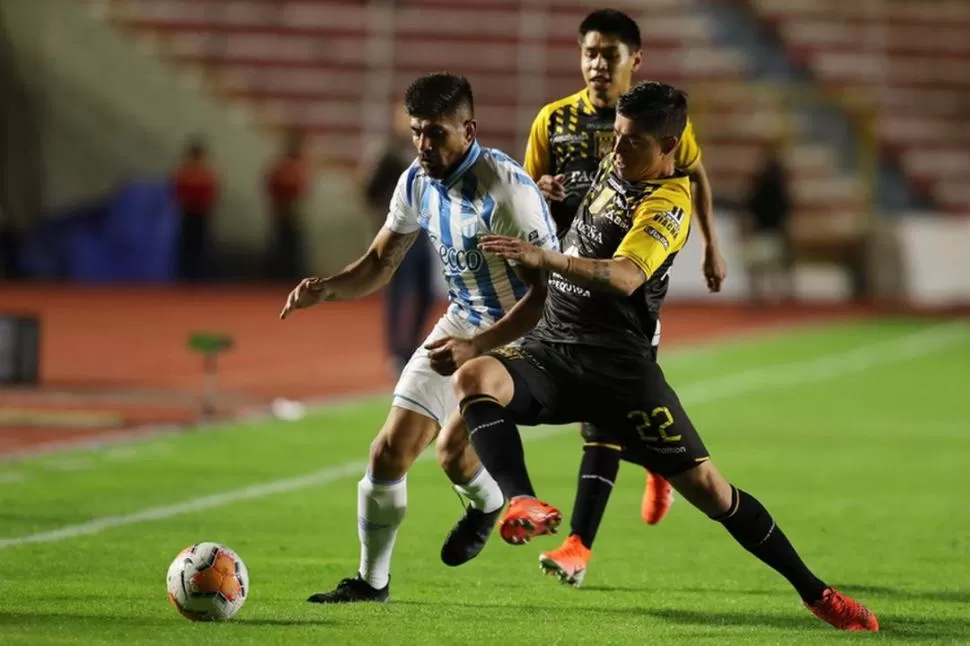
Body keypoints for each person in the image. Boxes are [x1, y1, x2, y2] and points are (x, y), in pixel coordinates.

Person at [450, 81, 878, 632]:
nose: (617, 150)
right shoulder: (618, 162)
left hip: (621, 374)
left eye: (632, 143)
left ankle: (817, 594)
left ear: (670, 145)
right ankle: (523, 501)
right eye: (617, 138)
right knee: (475, 376)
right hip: (554, 350)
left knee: (714, 494)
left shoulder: (667, 202)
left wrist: (545, 257)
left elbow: (625, 275)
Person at [279, 72, 560, 603]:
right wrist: (328, 289)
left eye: (436, 133)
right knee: (387, 451)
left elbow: (544, 297)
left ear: (468, 129)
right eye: (416, 133)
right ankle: (371, 582)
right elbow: (382, 261)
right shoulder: (414, 180)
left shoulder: (506, 191)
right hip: (463, 321)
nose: (424, 146)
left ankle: (487, 503)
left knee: (453, 454)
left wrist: (478, 348)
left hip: (528, 335)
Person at [360, 101, 436, 375]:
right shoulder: (388, 154)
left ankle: (412, 346)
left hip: (423, 233)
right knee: (398, 293)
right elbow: (368, 191)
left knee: (426, 293)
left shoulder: (427, 152)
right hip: (398, 234)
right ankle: (396, 352)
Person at [172, 137, 219, 282]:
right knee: (187, 245)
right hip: (188, 212)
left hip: (201, 213)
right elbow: (177, 192)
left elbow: (212, 192)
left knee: (201, 245)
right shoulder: (185, 172)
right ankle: (186, 275)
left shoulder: (206, 172)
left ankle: (199, 275)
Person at [265, 129, 310, 281]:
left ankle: (290, 275)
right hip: (282, 212)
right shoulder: (284, 167)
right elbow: (272, 186)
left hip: (293, 212)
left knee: (293, 245)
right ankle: (279, 275)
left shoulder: (298, 167)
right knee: (282, 244)